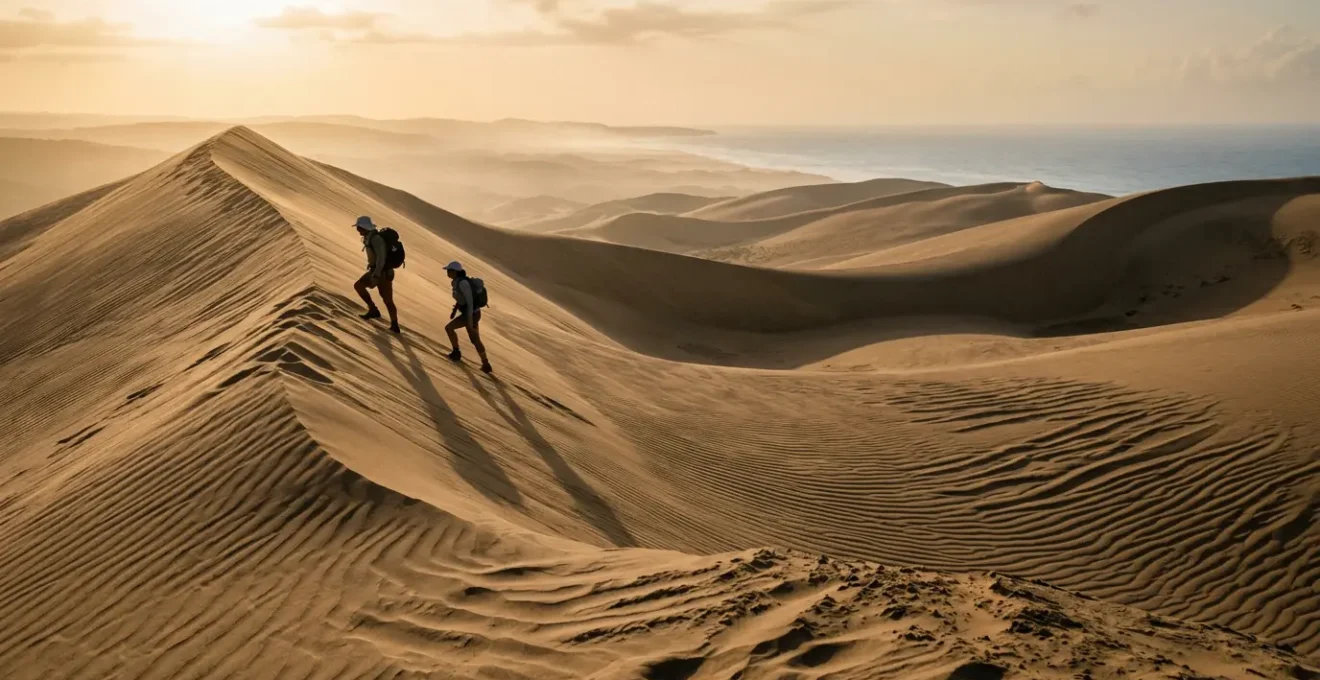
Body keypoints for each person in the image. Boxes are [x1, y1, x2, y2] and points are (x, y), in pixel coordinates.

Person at [351, 216, 400, 333]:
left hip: (382, 273)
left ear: (364, 227)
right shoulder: (369, 237)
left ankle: (395, 325)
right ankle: (373, 309)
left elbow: (381, 258)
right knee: (358, 285)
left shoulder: (376, 239)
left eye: (358, 227)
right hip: (376, 271)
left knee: (387, 300)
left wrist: (377, 273)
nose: (357, 230)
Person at [444, 261, 493, 373]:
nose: (447, 272)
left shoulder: (463, 284)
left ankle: (457, 353)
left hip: (472, 314)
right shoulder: (456, 282)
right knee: (475, 339)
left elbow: (470, 302)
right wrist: (454, 310)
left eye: (449, 270)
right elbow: (460, 299)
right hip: (469, 313)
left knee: (450, 329)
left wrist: (470, 321)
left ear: (455, 272)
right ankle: (485, 364)